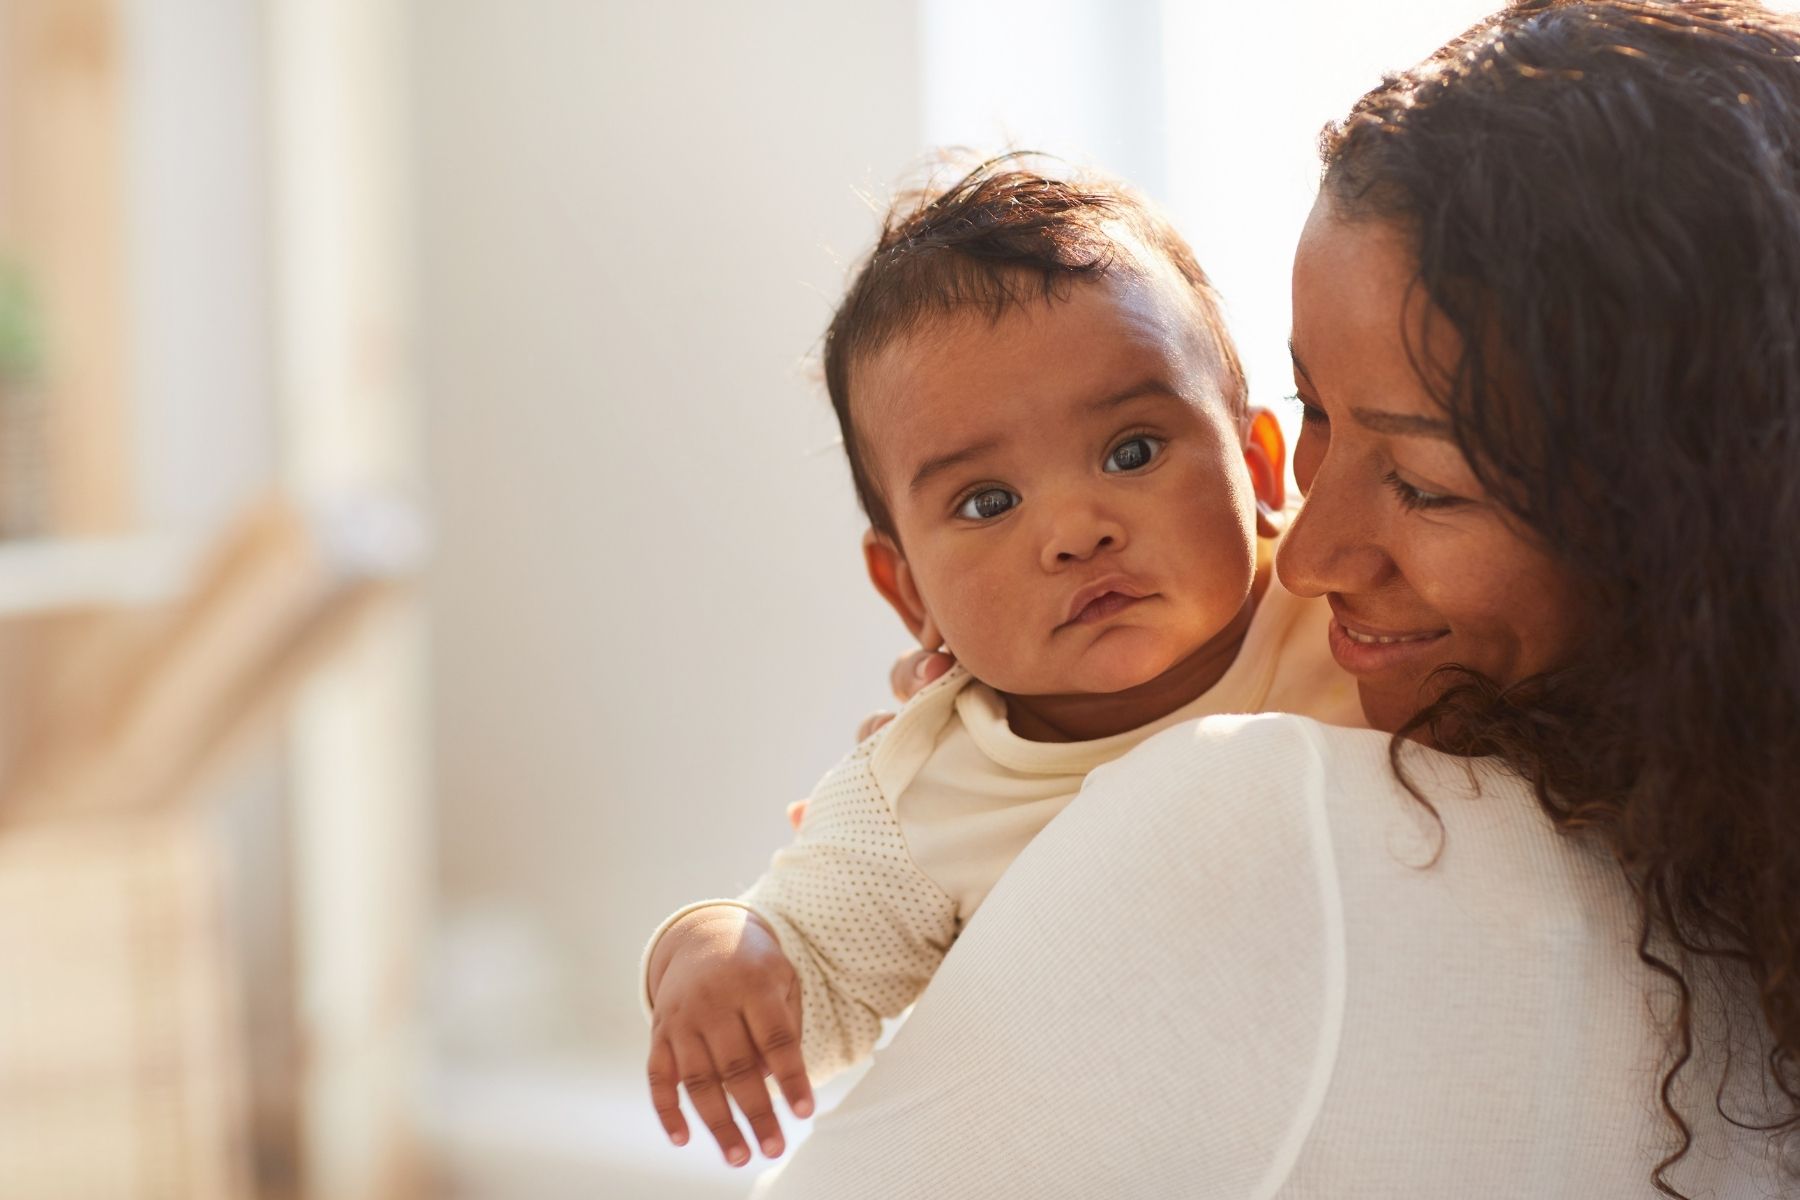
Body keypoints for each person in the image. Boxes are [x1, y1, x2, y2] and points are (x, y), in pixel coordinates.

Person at [748, 2, 1800, 1196]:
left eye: (1420, 482)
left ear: (1685, 522)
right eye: (1317, 419)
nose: (1303, 556)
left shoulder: (1246, 811)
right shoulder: (1731, 878)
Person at [639, 160, 1365, 1168]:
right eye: (987, 502)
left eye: (1133, 451)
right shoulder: (925, 785)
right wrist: (715, 951)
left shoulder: (1350, 611)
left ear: (1255, 466)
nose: (1075, 530)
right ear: (909, 594)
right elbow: (812, 974)